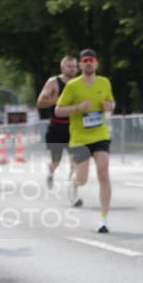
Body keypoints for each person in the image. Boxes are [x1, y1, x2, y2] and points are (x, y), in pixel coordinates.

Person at [54, 49, 115, 232]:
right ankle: (73, 184)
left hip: (100, 135)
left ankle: (103, 220)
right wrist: (77, 107)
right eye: (85, 60)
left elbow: (111, 104)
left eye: (91, 60)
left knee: (103, 173)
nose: (89, 63)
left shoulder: (104, 82)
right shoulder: (72, 86)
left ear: (96, 63)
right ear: (81, 64)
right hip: (80, 139)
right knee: (82, 179)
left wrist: (108, 106)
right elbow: (58, 110)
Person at [36, 55, 78, 190]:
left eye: (74, 66)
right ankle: (51, 171)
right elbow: (40, 103)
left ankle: (72, 186)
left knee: (75, 158)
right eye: (69, 66)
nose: (72, 69)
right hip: (57, 127)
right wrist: (59, 99)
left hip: (74, 127)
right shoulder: (53, 82)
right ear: (62, 68)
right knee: (56, 160)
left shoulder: (80, 83)